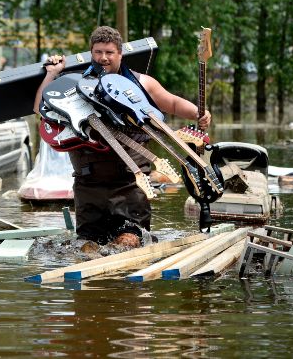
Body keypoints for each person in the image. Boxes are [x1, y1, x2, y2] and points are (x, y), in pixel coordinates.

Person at [33, 26, 211, 245]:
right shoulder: (76, 86)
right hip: (89, 185)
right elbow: (41, 109)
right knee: (86, 247)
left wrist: (197, 113)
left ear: (120, 54)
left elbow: (172, 103)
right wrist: (52, 74)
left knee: (129, 242)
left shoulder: (141, 83)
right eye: (98, 52)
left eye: (109, 52)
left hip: (130, 183)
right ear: (91, 53)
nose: (103, 58)